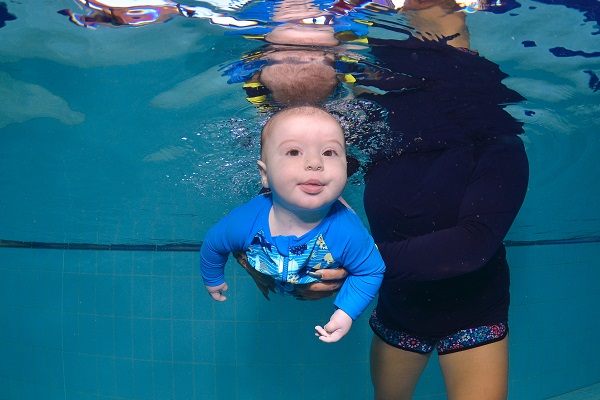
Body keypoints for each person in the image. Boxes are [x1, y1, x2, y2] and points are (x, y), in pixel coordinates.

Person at [268, 1, 529, 398]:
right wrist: (264, 241)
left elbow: (472, 245)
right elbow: (303, 179)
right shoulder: (382, 138)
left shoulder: (495, 138)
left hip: (474, 310)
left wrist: (357, 263)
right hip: (399, 313)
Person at [200, 105, 385, 343]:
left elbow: (370, 270)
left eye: (329, 152)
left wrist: (346, 312)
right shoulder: (245, 221)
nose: (315, 162)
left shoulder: (347, 232)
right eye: (294, 152)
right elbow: (214, 245)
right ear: (264, 175)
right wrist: (213, 278)